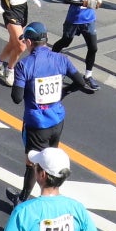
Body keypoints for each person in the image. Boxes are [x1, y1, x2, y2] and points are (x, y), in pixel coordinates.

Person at [10, 22, 95, 201]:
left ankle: (22, 199)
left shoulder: (24, 65)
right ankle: (52, 198)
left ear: (29, 42)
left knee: (33, 163)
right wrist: (64, 92)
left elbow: (16, 98)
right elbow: (80, 82)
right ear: (46, 40)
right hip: (57, 120)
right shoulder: (61, 59)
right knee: (50, 163)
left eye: (25, 41)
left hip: (37, 124)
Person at [50, 0, 103, 83]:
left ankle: (88, 75)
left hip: (89, 18)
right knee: (65, 41)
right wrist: (84, 3)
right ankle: (51, 60)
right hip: (74, 19)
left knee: (93, 48)